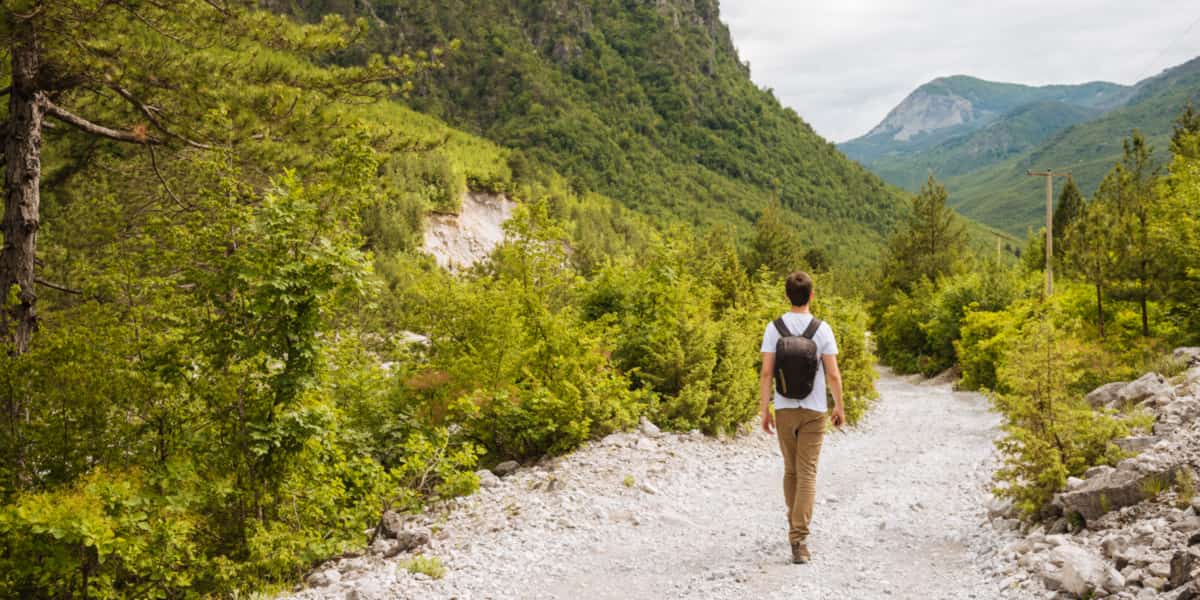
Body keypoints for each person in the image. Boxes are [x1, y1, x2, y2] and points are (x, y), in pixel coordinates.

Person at [758, 270, 844, 564]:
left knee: (791, 470)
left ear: (787, 296)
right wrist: (839, 406)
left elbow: (767, 372)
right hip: (814, 409)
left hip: (783, 408)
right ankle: (799, 539)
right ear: (812, 295)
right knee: (807, 473)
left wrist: (764, 409)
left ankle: (793, 523)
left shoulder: (774, 328)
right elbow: (832, 373)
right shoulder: (822, 329)